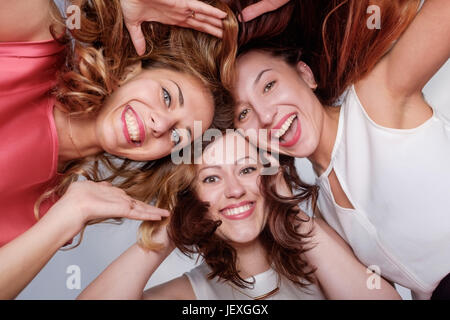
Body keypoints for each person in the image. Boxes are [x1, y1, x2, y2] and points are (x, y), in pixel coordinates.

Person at [0, 0, 237, 299]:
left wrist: (71, 213)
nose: (160, 125)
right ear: (130, 71)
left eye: (178, 137)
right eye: (166, 96)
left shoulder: (47, 212)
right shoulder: (37, 43)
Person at [230, 0, 450, 299]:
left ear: (305, 74)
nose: (266, 115)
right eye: (243, 113)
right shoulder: (323, 211)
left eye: (268, 85)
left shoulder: (375, 96)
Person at [78, 131, 401, 300]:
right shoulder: (189, 293)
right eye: (211, 178)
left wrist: (289, 210)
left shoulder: (322, 253)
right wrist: (166, 231)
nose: (234, 190)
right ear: (191, 198)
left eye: (247, 169)